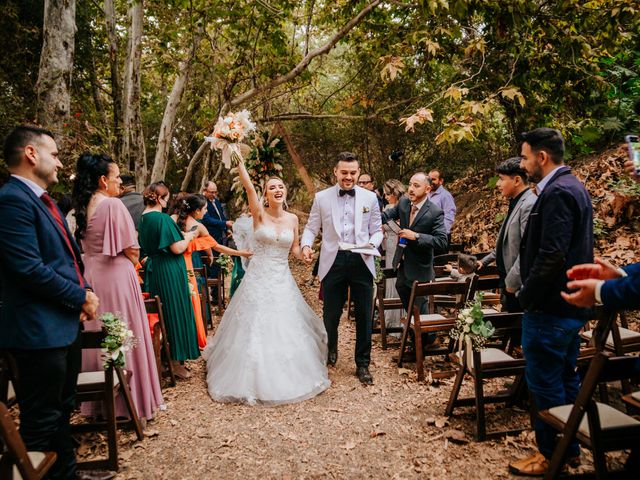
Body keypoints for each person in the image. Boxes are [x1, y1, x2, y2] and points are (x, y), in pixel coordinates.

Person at [0, 125, 100, 480]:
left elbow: (68, 259)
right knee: (40, 423)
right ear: (31, 154)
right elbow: (27, 268)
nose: (60, 163)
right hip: (37, 333)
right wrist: (80, 296)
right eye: (54, 154)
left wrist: (84, 291)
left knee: (62, 412)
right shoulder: (12, 200)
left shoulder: (43, 200)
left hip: (61, 327)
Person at [204, 159, 330, 405]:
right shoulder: (258, 215)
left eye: (280, 186)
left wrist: (303, 254)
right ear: (265, 195)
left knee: (284, 324)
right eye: (271, 187)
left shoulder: (293, 219)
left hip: (281, 279)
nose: (277, 189)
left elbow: (293, 247)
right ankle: (247, 378)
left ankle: (288, 375)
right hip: (258, 279)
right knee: (253, 324)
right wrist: (237, 157)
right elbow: (249, 188)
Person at [508, 128, 593, 477]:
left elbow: (552, 254)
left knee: (544, 382)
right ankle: (567, 447)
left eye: (526, 158)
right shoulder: (574, 186)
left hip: (550, 307)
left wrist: (526, 295)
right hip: (569, 306)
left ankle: (549, 455)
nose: (524, 164)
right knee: (565, 377)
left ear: (542, 157)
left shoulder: (557, 192)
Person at [72, 153, 164, 421]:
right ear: (103, 180)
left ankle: (98, 407)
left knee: (97, 334)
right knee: (124, 332)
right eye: (115, 179)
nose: (119, 185)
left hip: (90, 276)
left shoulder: (77, 208)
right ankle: (130, 402)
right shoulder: (112, 206)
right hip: (116, 276)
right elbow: (132, 251)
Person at [301, 152, 383, 385]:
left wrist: (372, 244)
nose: (348, 177)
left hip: (362, 259)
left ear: (358, 172)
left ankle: (363, 364)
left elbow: (377, 229)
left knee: (365, 315)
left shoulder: (370, 198)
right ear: (335, 172)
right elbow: (311, 227)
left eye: (353, 173)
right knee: (331, 313)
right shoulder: (321, 198)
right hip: (333, 260)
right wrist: (306, 245)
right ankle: (331, 351)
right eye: (344, 172)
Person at [172, 194, 251, 348]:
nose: (206, 212)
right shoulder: (198, 226)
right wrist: (242, 253)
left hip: (171, 266)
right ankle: (189, 341)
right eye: (205, 209)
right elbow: (217, 247)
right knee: (190, 301)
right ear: (196, 211)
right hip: (186, 267)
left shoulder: (171, 219)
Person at [138, 182, 199, 380]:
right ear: (161, 198)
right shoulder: (162, 218)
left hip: (154, 270)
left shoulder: (143, 219)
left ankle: (165, 361)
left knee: (161, 313)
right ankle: (175, 363)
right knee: (175, 311)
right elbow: (177, 248)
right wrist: (189, 236)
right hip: (168, 271)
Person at [382, 172, 448, 347]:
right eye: (410, 184)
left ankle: (427, 341)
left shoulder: (435, 212)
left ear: (427, 189)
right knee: (402, 291)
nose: (411, 189)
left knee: (420, 306)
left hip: (420, 268)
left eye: (416, 186)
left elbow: (442, 241)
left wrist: (416, 235)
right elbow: (386, 216)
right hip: (402, 263)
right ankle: (415, 334)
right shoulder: (403, 203)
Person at [477, 157, 536, 312]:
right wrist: (484, 261)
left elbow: (527, 250)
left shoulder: (529, 204)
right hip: (507, 283)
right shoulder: (515, 202)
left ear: (517, 180)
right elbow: (507, 243)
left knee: (517, 333)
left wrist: (511, 283)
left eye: (502, 179)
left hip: (518, 285)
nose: (498, 184)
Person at [381, 179, 407, 330]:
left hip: (397, 245)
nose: (385, 197)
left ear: (394, 193)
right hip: (391, 247)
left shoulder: (397, 209)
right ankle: (395, 321)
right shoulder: (399, 208)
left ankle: (396, 322)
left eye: (387, 194)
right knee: (394, 280)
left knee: (397, 279)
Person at [427, 169, 456, 253]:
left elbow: (449, 216)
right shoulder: (427, 194)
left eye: (433, 179)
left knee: (439, 264)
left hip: (440, 236)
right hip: (428, 237)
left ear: (441, 181)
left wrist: (441, 234)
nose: (430, 181)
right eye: (429, 179)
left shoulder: (445, 196)